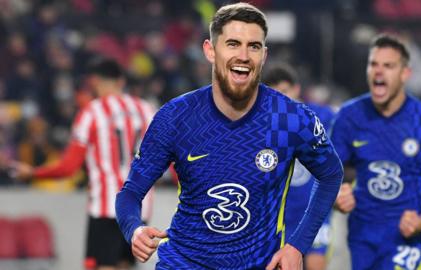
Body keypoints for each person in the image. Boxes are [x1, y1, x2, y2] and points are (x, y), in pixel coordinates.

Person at [115, 3, 343, 270]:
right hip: (183, 264)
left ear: (264, 55)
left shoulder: (290, 118)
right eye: (233, 44)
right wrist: (134, 229)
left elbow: (331, 174)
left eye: (254, 46)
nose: (244, 55)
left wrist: (297, 245)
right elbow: (130, 192)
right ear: (210, 51)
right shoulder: (176, 117)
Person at [10, 57, 155, 270]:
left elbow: (69, 167)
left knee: (103, 266)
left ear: (95, 81)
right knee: (125, 266)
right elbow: (171, 157)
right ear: (121, 81)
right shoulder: (146, 110)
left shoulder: (92, 112)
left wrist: (33, 173)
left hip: (106, 206)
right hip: (139, 208)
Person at [331, 34, 421, 270]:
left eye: (388, 66)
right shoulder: (349, 116)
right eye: (373, 64)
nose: (378, 72)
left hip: (407, 234)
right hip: (363, 233)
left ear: (405, 74)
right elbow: (327, 173)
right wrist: (337, 195)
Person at [263, 63, 335, 270]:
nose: (281, 101)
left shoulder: (320, 116)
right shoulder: (264, 125)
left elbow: (349, 131)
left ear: (296, 89)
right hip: (280, 220)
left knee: (315, 264)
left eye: (285, 93)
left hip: (314, 214)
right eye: (275, 95)